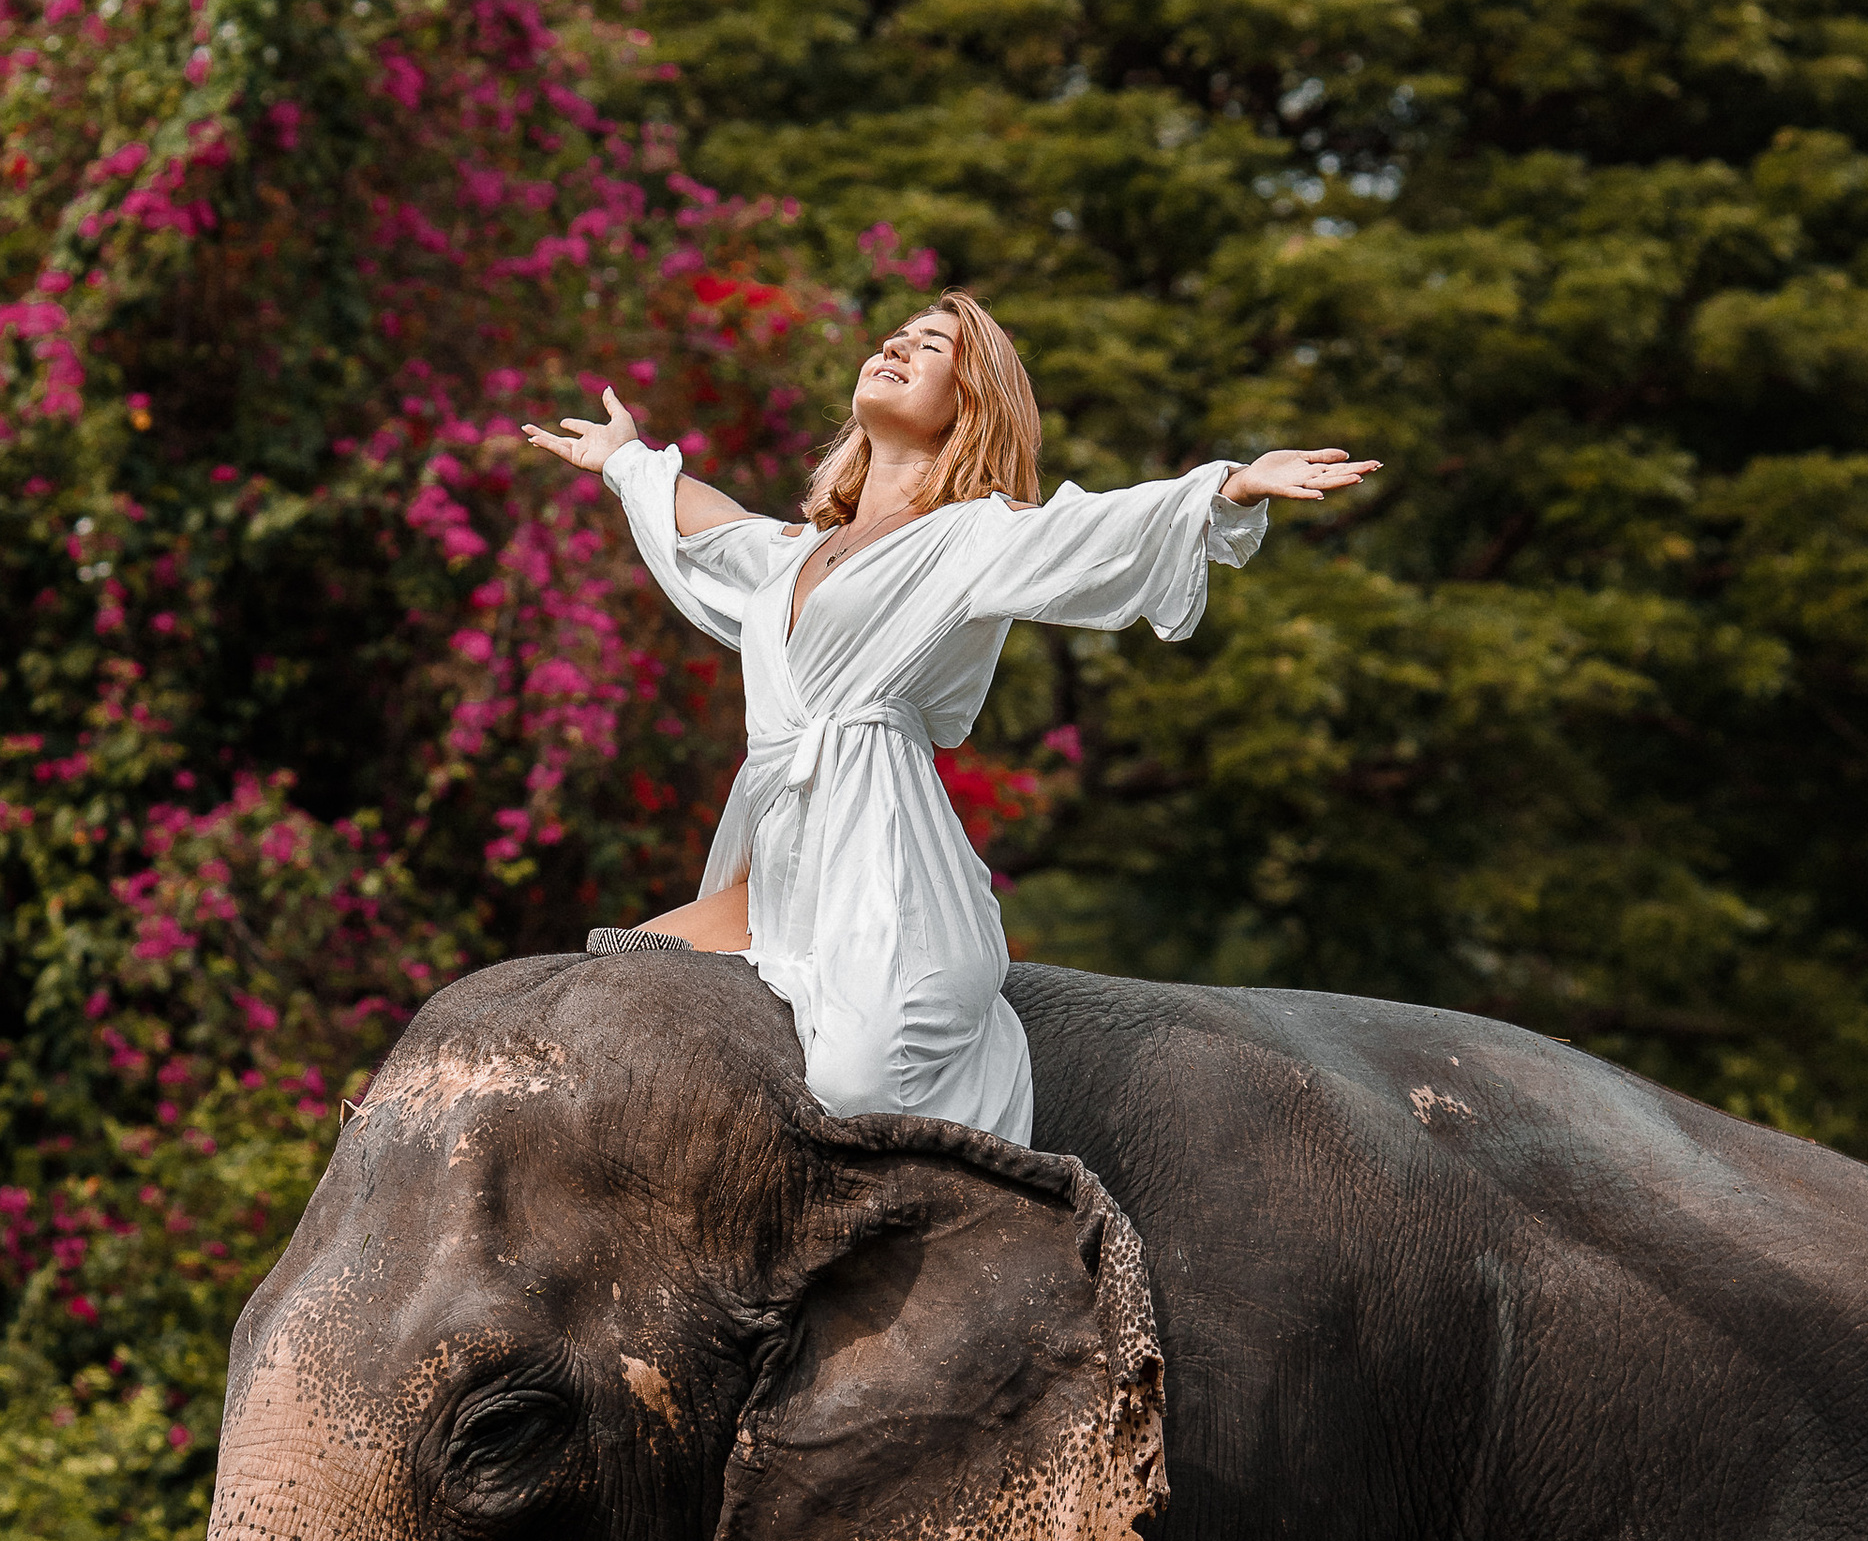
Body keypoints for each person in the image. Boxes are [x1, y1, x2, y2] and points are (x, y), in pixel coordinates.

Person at [523, 291, 1379, 1145]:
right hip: (774, 873)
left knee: (861, 1081)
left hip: (881, 865)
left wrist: (1226, 488)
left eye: (929, 346)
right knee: (609, 995)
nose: (894, 348)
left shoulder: (970, 538)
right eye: (893, 337)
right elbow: (712, 528)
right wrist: (625, 460)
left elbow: (1095, 528)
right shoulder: (797, 555)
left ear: (970, 402)